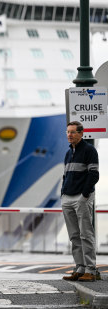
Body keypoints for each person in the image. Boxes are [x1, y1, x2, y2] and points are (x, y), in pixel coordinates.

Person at [61, 121, 100, 282]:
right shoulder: (68, 152)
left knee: (86, 234)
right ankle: (80, 267)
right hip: (67, 198)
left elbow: (94, 174)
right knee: (74, 236)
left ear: (81, 133)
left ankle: (90, 269)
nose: (69, 135)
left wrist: (84, 195)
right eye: (68, 132)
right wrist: (63, 193)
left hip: (81, 197)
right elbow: (65, 175)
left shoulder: (89, 150)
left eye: (73, 132)